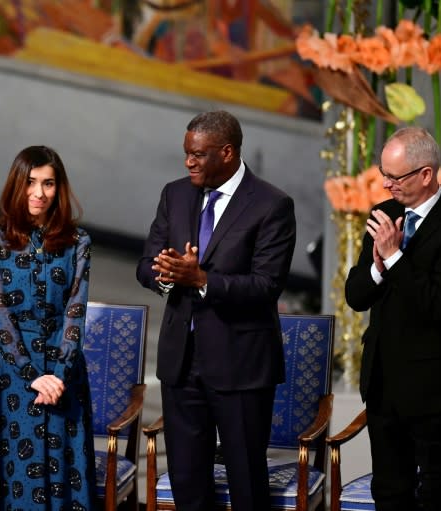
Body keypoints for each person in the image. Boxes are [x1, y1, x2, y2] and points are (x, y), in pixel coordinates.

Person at [136, 110, 296, 511]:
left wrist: (202, 279)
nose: (188, 162)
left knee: (246, 482)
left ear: (227, 152)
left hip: (239, 365)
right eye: (186, 153)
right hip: (181, 363)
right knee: (188, 482)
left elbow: (266, 286)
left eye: (198, 155)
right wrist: (168, 275)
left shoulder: (271, 205)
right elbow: (146, 265)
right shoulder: (175, 193)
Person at [345, 126, 441, 511]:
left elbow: (437, 307)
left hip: (432, 386)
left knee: (436, 490)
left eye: (395, 177)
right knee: (389, 488)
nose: (386, 185)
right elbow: (356, 296)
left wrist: (395, 258)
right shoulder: (384, 214)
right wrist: (376, 268)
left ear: (425, 174)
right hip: (383, 379)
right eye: (383, 174)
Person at [0, 145, 96, 511]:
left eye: (48, 183)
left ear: (59, 189)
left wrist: (57, 375)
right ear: (17, 185)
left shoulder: (78, 243)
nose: (39, 193)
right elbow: (1, 321)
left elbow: (76, 313)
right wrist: (33, 375)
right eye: (31, 182)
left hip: (65, 378)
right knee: (19, 486)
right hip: (17, 379)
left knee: (66, 481)